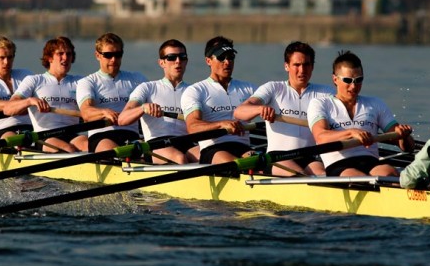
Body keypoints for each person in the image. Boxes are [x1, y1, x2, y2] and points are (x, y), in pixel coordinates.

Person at [307, 50, 414, 177]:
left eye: (358, 80)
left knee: (389, 171)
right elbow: (321, 137)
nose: (353, 86)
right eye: (347, 80)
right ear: (335, 79)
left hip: (370, 162)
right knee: (357, 177)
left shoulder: (375, 103)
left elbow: (407, 148)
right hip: (339, 164)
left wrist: (404, 136)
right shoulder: (320, 104)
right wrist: (352, 132)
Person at [234, 41, 334, 176]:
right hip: (277, 157)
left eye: (306, 65)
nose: (302, 70)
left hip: (309, 157)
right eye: (296, 65)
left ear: (312, 66)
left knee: (323, 175)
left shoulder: (325, 92)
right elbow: (239, 111)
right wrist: (260, 109)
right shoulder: (273, 88)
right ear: (286, 66)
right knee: (299, 175)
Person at [118, 39, 199, 164]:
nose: (178, 61)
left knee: (206, 156)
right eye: (172, 57)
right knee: (179, 158)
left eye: (182, 57)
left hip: (187, 142)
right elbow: (122, 119)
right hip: (157, 144)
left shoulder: (194, 90)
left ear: (186, 61)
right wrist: (142, 108)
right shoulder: (147, 88)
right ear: (162, 62)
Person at [4, 36, 88, 153]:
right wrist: (29, 101)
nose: (66, 58)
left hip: (72, 134)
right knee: (69, 149)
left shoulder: (80, 82)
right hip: (45, 136)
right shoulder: (34, 80)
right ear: (49, 58)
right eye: (60, 54)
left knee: (89, 145)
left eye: (69, 54)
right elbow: (8, 109)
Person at [181, 36, 256, 164]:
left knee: (260, 165)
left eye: (230, 57)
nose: (227, 62)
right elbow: (193, 126)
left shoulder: (248, 88)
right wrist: (222, 124)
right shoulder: (196, 90)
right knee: (239, 165)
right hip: (213, 149)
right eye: (221, 57)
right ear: (208, 60)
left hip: (243, 148)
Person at [76, 32, 147, 153]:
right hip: (101, 136)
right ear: (97, 55)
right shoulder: (88, 82)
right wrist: (104, 112)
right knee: (114, 151)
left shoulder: (137, 79)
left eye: (118, 54)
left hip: (131, 135)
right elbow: (86, 113)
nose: (113, 59)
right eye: (108, 55)